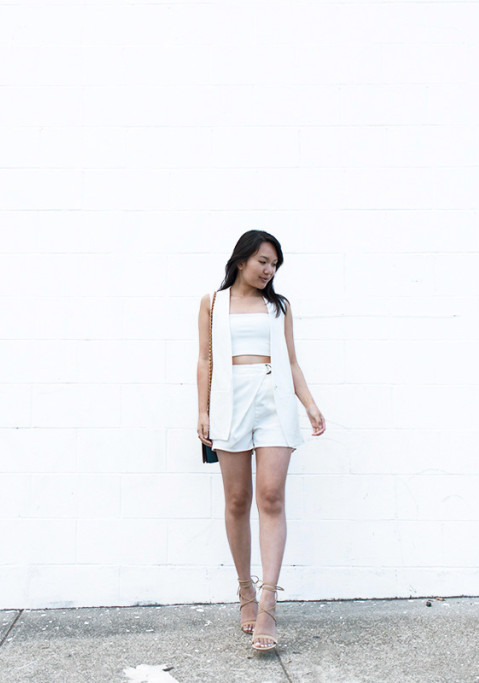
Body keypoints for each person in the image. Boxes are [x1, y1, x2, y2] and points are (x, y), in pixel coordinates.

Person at [196, 230, 326, 652]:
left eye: (274, 264)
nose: (269, 270)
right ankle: (245, 591)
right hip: (229, 401)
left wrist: (309, 405)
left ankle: (269, 601)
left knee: (271, 497)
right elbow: (205, 359)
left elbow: (292, 361)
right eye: (263, 262)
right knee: (237, 500)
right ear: (242, 260)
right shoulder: (213, 303)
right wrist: (203, 411)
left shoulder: (279, 307)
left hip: (274, 400)